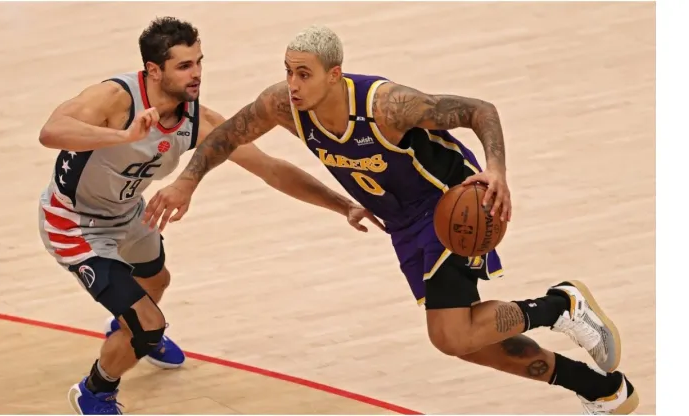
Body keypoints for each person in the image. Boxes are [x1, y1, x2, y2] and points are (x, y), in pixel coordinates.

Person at [143, 25, 640, 415]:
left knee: (451, 336)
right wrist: (187, 181)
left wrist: (497, 170)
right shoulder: (283, 105)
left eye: (304, 74)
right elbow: (229, 134)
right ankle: (602, 390)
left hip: (452, 205)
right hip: (402, 222)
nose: (292, 85)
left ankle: (558, 305)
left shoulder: (387, 106)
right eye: (289, 71)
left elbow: (478, 109)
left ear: (334, 75)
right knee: (467, 342)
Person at [36, 18, 382, 415]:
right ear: (153, 70)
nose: (197, 73)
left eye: (199, 62)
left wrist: (344, 205)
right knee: (149, 325)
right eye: (184, 66)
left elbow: (270, 168)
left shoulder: (195, 118)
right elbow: (51, 131)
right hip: (74, 223)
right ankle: (94, 390)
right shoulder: (116, 98)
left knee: (157, 281)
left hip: (129, 212)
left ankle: (128, 331)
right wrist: (122, 136)